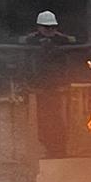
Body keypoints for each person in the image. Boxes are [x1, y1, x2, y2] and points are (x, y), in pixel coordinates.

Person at [21, 10, 78, 159]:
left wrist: (56, 45)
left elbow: (74, 42)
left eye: (53, 27)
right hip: (41, 87)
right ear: (39, 27)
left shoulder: (62, 40)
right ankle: (48, 148)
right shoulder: (32, 41)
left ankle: (60, 148)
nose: (50, 30)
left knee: (59, 119)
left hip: (58, 86)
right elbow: (23, 45)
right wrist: (39, 44)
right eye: (47, 28)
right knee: (43, 119)